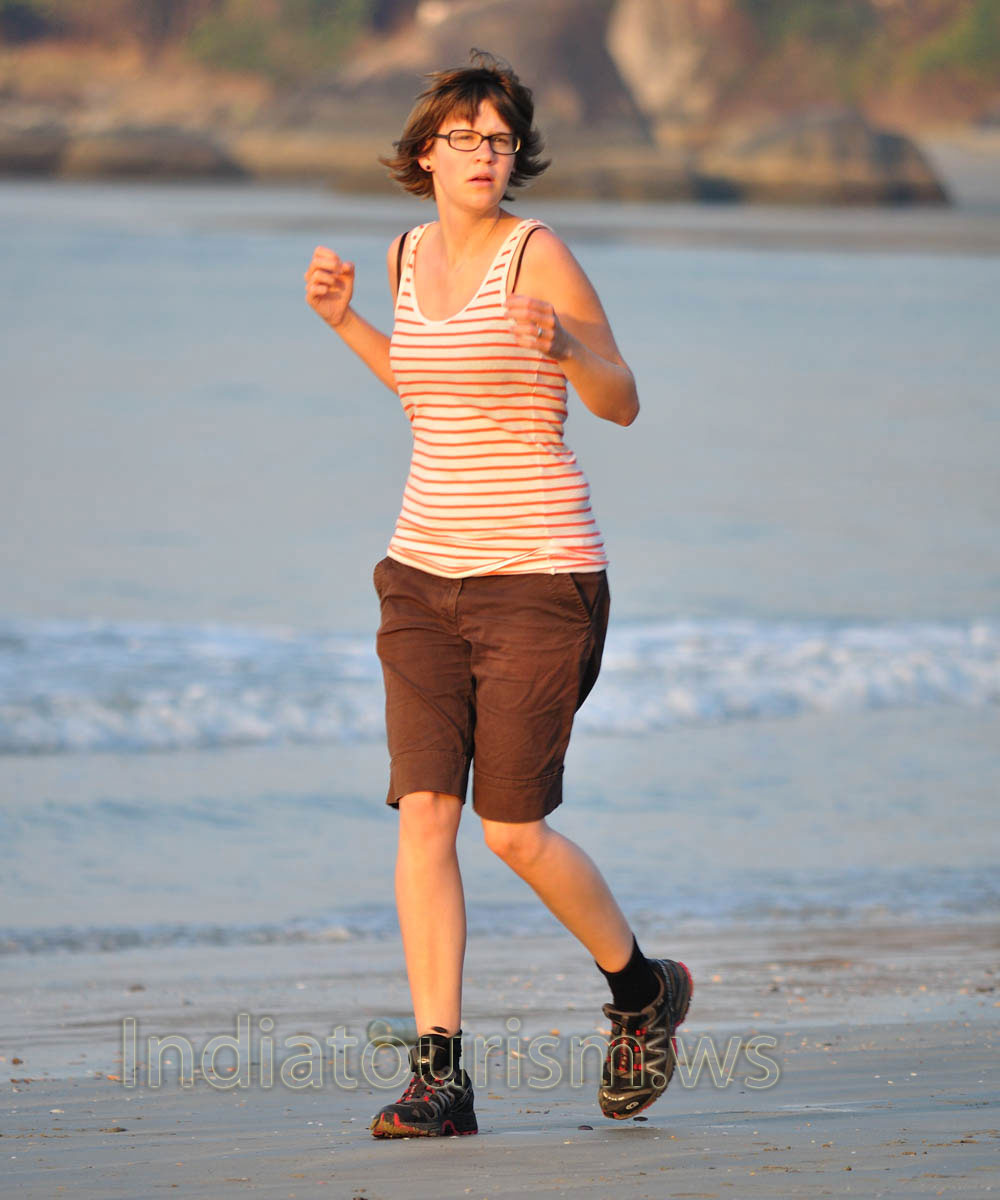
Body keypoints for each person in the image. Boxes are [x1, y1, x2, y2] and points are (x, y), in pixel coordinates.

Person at [304, 50, 692, 1139]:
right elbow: (428, 392)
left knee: (512, 830)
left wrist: (566, 345)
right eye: (466, 137)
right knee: (426, 816)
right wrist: (346, 322)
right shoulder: (403, 253)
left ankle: (642, 991)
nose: (486, 153)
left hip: (538, 579)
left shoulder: (539, 254)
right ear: (425, 152)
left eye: (501, 138)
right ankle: (441, 1080)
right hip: (418, 577)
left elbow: (621, 400)